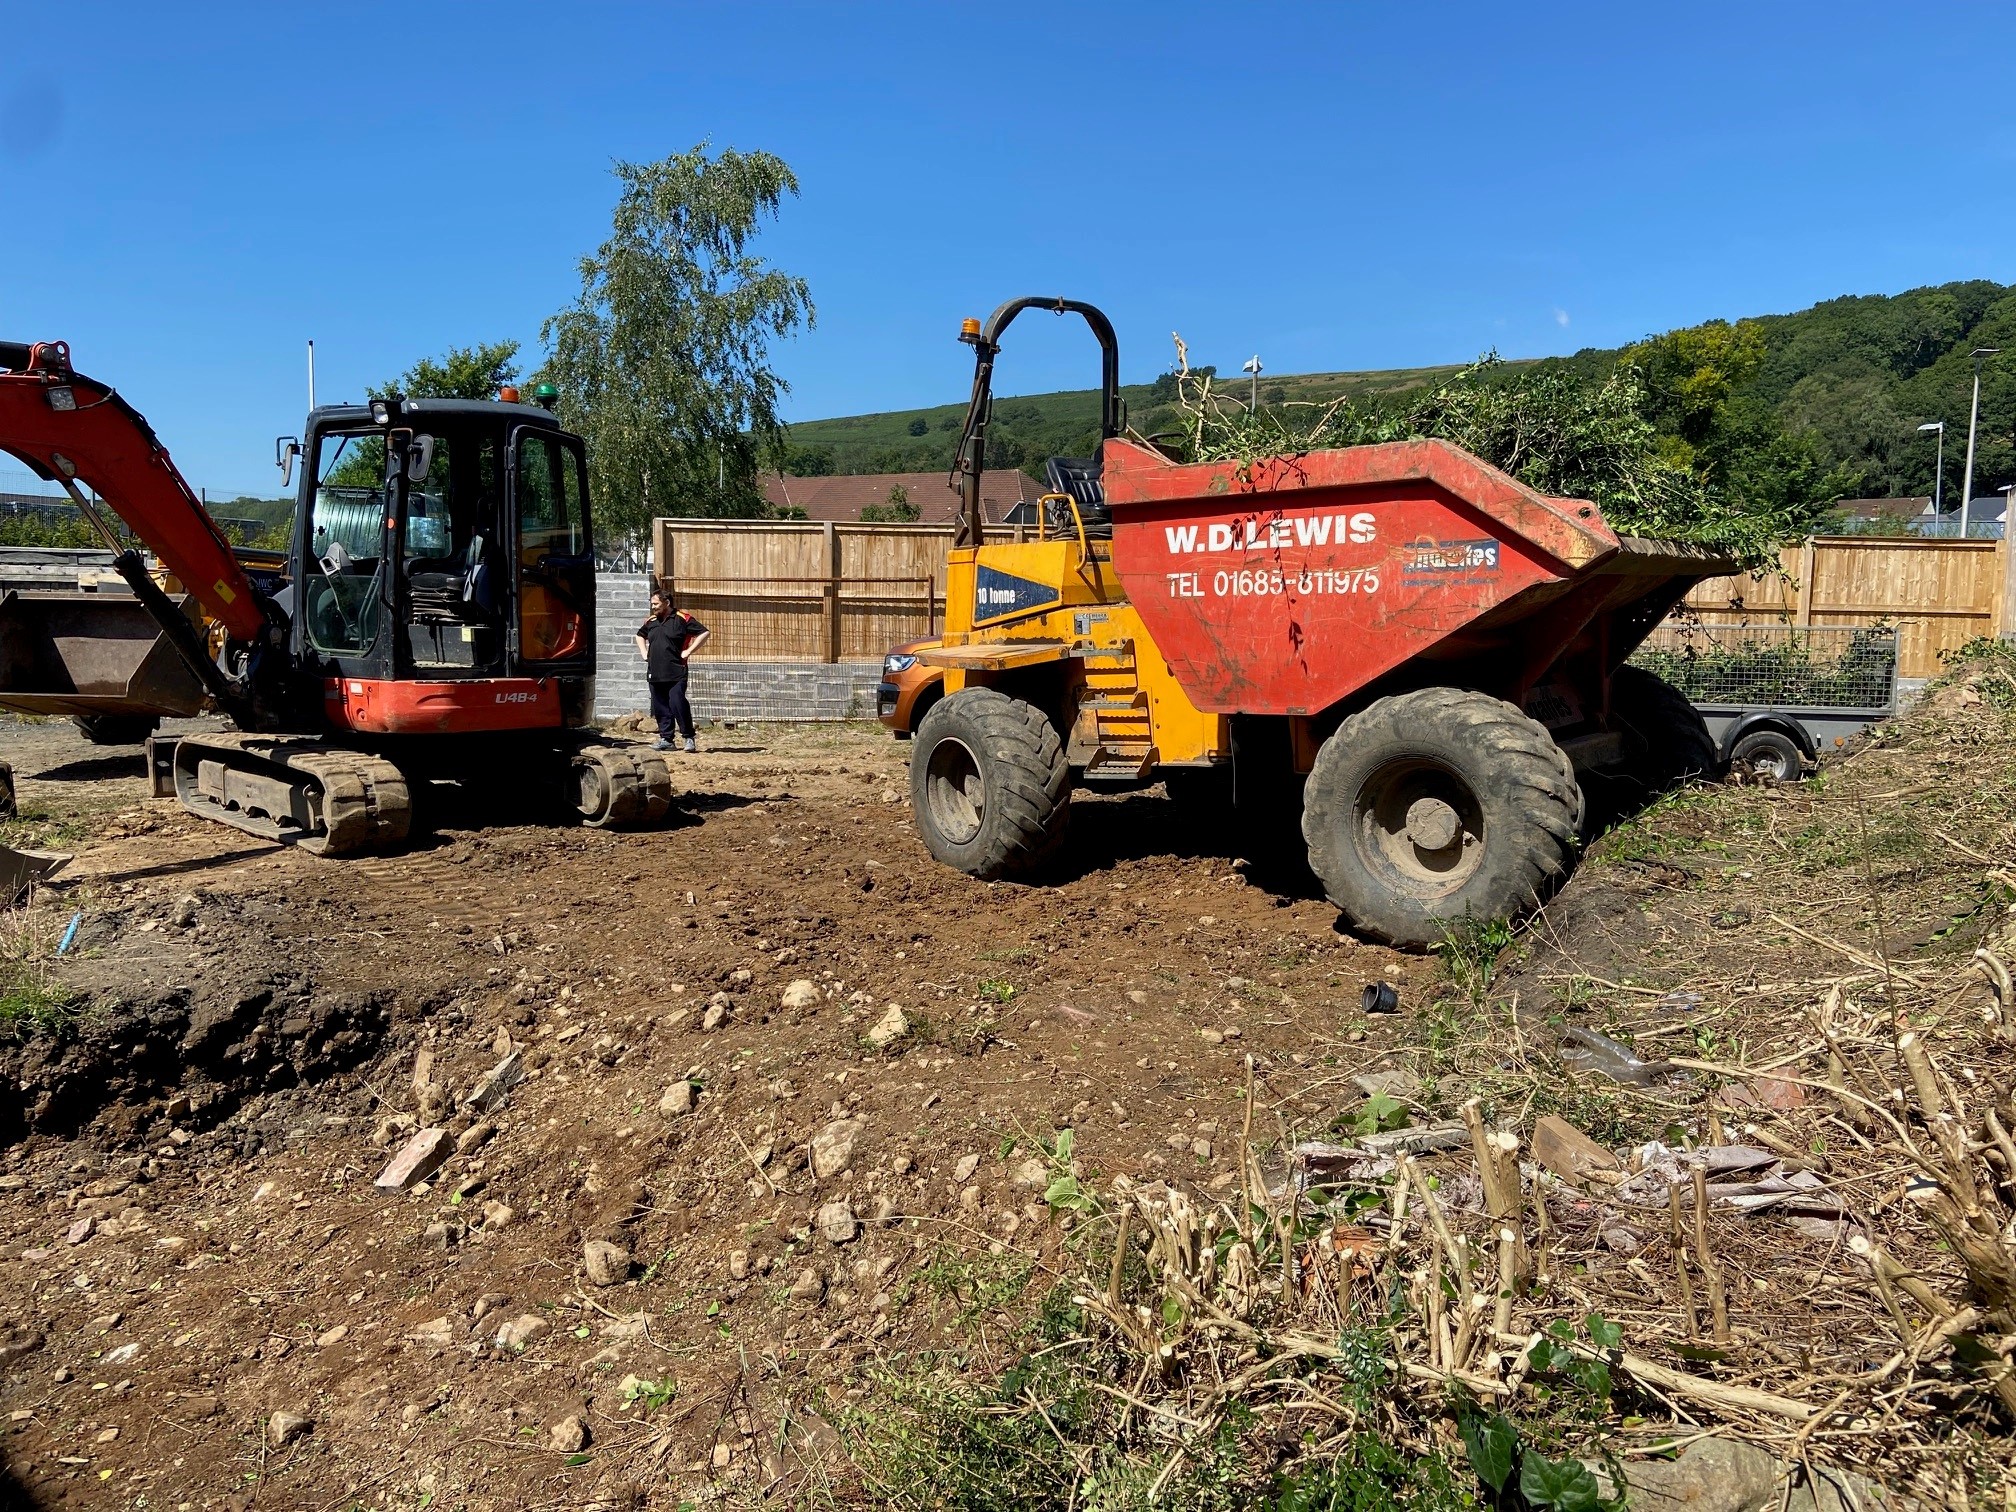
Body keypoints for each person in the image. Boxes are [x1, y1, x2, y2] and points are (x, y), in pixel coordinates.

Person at [635, 587, 710, 752]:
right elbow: (639, 635)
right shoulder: (651, 621)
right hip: (655, 672)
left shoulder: (683, 619)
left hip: (676, 671)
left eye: (656, 604)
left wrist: (688, 651)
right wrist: (644, 652)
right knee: (660, 706)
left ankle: (688, 737)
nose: (653, 607)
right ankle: (666, 739)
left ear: (667, 603)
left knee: (677, 702)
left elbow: (704, 633)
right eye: (652, 604)